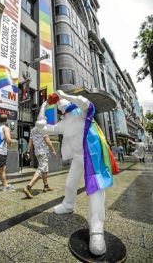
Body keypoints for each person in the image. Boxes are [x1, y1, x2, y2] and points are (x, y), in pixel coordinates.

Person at [36, 90, 118, 256]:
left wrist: (64, 95)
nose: (60, 103)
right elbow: (44, 129)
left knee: (95, 189)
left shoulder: (81, 112)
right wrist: (44, 105)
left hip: (92, 155)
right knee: (70, 183)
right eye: (59, 102)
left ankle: (96, 228)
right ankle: (68, 205)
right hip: (78, 157)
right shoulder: (64, 122)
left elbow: (86, 103)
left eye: (62, 101)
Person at [23, 126, 57, 199]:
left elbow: (30, 142)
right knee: (41, 169)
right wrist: (53, 150)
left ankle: (46, 186)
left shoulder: (33, 129)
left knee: (45, 168)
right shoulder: (44, 128)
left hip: (37, 152)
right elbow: (47, 141)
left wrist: (28, 152)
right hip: (43, 152)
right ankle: (28, 187)